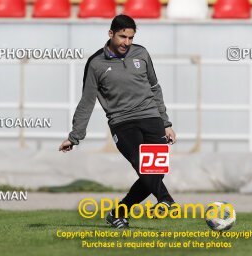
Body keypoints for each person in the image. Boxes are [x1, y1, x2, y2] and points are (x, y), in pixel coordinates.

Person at [59, 14, 176, 228]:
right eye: (123, 37)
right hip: (122, 122)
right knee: (142, 165)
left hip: (151, 117)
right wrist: (75, 136)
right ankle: (166, 200)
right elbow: (87, 101)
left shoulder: (142, 53)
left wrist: (166, 122)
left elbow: (154, 87)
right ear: (111, 33)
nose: (127, 43)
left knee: (157, 171)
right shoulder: (96, 63)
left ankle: (118, 213)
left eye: (131, 38)